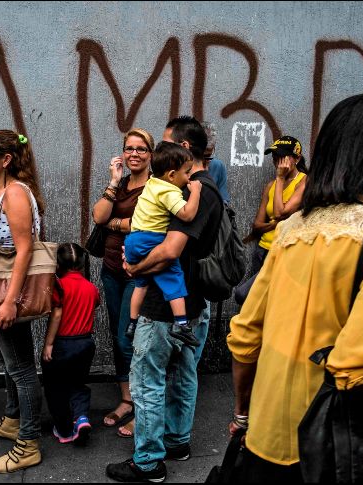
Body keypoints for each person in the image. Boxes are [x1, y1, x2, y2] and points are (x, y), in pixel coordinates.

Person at [227, 92, 363, 481]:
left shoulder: (293, 227)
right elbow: (358, 370)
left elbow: (245, 336)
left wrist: (243, 414)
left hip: (265, 438)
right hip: (332, 450)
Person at [106, 116, 223, 483]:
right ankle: (177, 442)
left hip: (164, 307)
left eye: (166, 144)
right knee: (184, 376)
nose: (159, 151)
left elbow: (170, 251)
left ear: (183, 149)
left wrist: (135, 267)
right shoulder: (206, 187)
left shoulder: (191, 191)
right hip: (193, 301)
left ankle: (148, 462)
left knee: (148, 381)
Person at [0, 130, 46, 474]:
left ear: (6, 159)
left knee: (22, 370)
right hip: (3, 290)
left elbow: (25, 249)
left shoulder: (15, 193)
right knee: (11, 363)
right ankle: (13, 420)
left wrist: (11, 301)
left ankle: (28, 444)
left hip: (9, 293)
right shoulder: (4, 191)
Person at [92, 128, 152, 438]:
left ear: (151, 154)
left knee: (129, 337)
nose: (134, 154)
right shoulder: (122, 184)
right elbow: (98, 216)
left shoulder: (155, 186)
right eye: (129, 148)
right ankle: (127, 399)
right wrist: (114, 181)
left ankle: (142, 405)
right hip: (111, 268)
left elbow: (144, 223)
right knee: (117, 335)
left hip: (137, 272)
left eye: (141, 149)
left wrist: (114, 223)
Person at [124, 141, 203, 347]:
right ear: (171, 175)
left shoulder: (152, 183)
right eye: (187, 173)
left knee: (141, 284)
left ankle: (132, 322)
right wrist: (195, 192)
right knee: (173, 277)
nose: (189, 178)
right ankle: (181, 324)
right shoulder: (168, 191)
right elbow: (187, 214)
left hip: (133, 240)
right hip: (151, 238)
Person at [41, 243, 100, 445]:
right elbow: (95, 304)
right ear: (82, 264)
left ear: (57, 264)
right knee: (78, 384)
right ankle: (81, 418)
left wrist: (48, 344)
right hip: (85, 344)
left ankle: (64, 430)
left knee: (55, 387)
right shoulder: (91, 288)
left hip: (62, 344)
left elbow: (56, 314)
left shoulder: (59, 286)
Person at [243, 136, 307, 276]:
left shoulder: (304, 181)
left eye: (282, 158)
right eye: (275, 158)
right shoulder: (270, 186)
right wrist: (277, 224)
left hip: (286, 250)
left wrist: (280, 177)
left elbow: (279, 213)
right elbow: (257, 225)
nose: (277, 163)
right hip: (263, 250)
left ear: (297, 158)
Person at [203, 122, 230, 203]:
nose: (205, 166)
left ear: (213, 148)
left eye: (208, 156)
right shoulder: (184, 166)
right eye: (200, 157)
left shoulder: (218, 166)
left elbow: (223, 199)